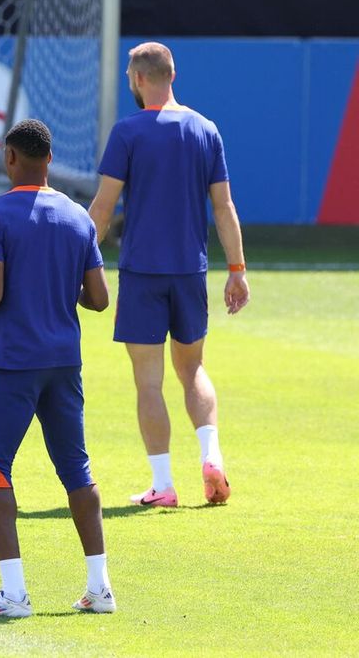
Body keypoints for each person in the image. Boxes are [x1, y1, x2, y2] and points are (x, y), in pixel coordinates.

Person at [0, 119, 114, 617]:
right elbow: (100, 299)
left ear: (10, 157)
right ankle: (100, 588)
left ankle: (14, 593)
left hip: (14, 363)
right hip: (64, 362)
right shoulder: (78, 218)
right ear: (49, 158)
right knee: (76, 469)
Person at [88, 41, 250, 508]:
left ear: (138, 79)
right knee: (193, 368)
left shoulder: (128, 132)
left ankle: (163, 484)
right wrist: (236, 269)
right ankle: (212, 455)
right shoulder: (206, 130)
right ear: (172, 75)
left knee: (148, 381)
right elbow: (224, 207)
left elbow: (102, 206)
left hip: (142, 273)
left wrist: (77, 259)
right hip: (190, 273)